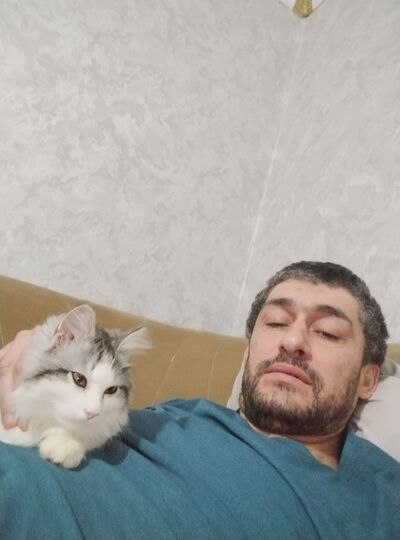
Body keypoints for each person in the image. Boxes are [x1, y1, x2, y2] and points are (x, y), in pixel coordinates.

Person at [0, 261, 399, 540]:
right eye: (276, 322)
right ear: (247, 354)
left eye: (327, 332)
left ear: (368, 379)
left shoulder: (381, 498)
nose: (292, 341)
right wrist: (43, 348)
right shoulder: (177, 416)